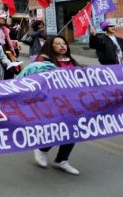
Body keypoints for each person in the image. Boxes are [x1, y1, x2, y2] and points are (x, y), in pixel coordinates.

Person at [33, 35, 80, 175]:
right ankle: (42, 149)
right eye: (57, 43)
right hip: (53, 103)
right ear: (50, 46)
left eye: (64, 43)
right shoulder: (43, 61)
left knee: (74, 130)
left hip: (73, 102)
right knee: (58, 129)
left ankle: (62, 160)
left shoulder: (71, 61)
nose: (62, 46)